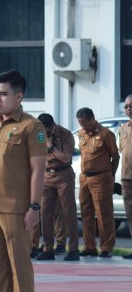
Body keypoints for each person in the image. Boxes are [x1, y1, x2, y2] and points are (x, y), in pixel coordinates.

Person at [0, 69, 46, 292]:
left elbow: (38, 170)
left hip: (16, 209)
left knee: (19, 266)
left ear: (18, 97)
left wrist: (34, 207)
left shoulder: (32, 127)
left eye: (3, 94)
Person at [33, 113, 80, 261]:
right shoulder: (39, 134)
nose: (44, 133)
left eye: (46, 131)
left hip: (63, 174)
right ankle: (48, 248)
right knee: (45, 214)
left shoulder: (65, 134)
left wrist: (51, 147)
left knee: (69, 213)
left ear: (51, 126)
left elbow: (66, 158)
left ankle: (73, 249)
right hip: (46, 175)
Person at [76, 107, 119, 257]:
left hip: (101, 178)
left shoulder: (106, 134)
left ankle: (106, 247)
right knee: (86, 213)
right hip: (84, 178)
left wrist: (110, 175)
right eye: (81, 124)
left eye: (85, 124)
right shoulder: (81, 134)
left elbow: (115, 156)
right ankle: (89, 247)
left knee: (103, 213)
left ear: (93, 119)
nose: (83, 127)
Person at [120, 94, 132, 259]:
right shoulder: (122, 128)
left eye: (131, 105)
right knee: (130, 213)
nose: (129, 109)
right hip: (127, 178)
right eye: (127, 106)